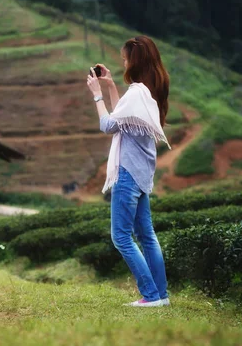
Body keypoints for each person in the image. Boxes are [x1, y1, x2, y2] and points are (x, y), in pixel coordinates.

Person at [86, 35, 172, 307]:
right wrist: (111, 86)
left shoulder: (137, 94)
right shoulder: (148, 92)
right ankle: (161, 296)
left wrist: (97, 94)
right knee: (146, 236)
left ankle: (150, 295)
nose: (122, 64)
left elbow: (109, 125)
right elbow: (122, 118)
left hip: (128, 174)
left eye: (124, 59)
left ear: (133, 61)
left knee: (121, 236)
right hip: (142, 174)